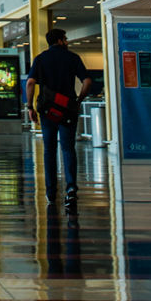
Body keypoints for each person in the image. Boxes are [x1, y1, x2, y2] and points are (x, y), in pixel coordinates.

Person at [26, 28, 93, 208]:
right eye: (65, 38)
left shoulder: (40, 59)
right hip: (67, 110)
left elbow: (30, 82)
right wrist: (78, 100)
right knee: (68, 148)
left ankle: (51, 192)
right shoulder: (73, 58)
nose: (67, 41)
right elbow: (87, 81)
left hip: (47, 110)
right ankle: (71, 188)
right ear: (60, 41)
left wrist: (30, 106)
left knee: (49, 149)